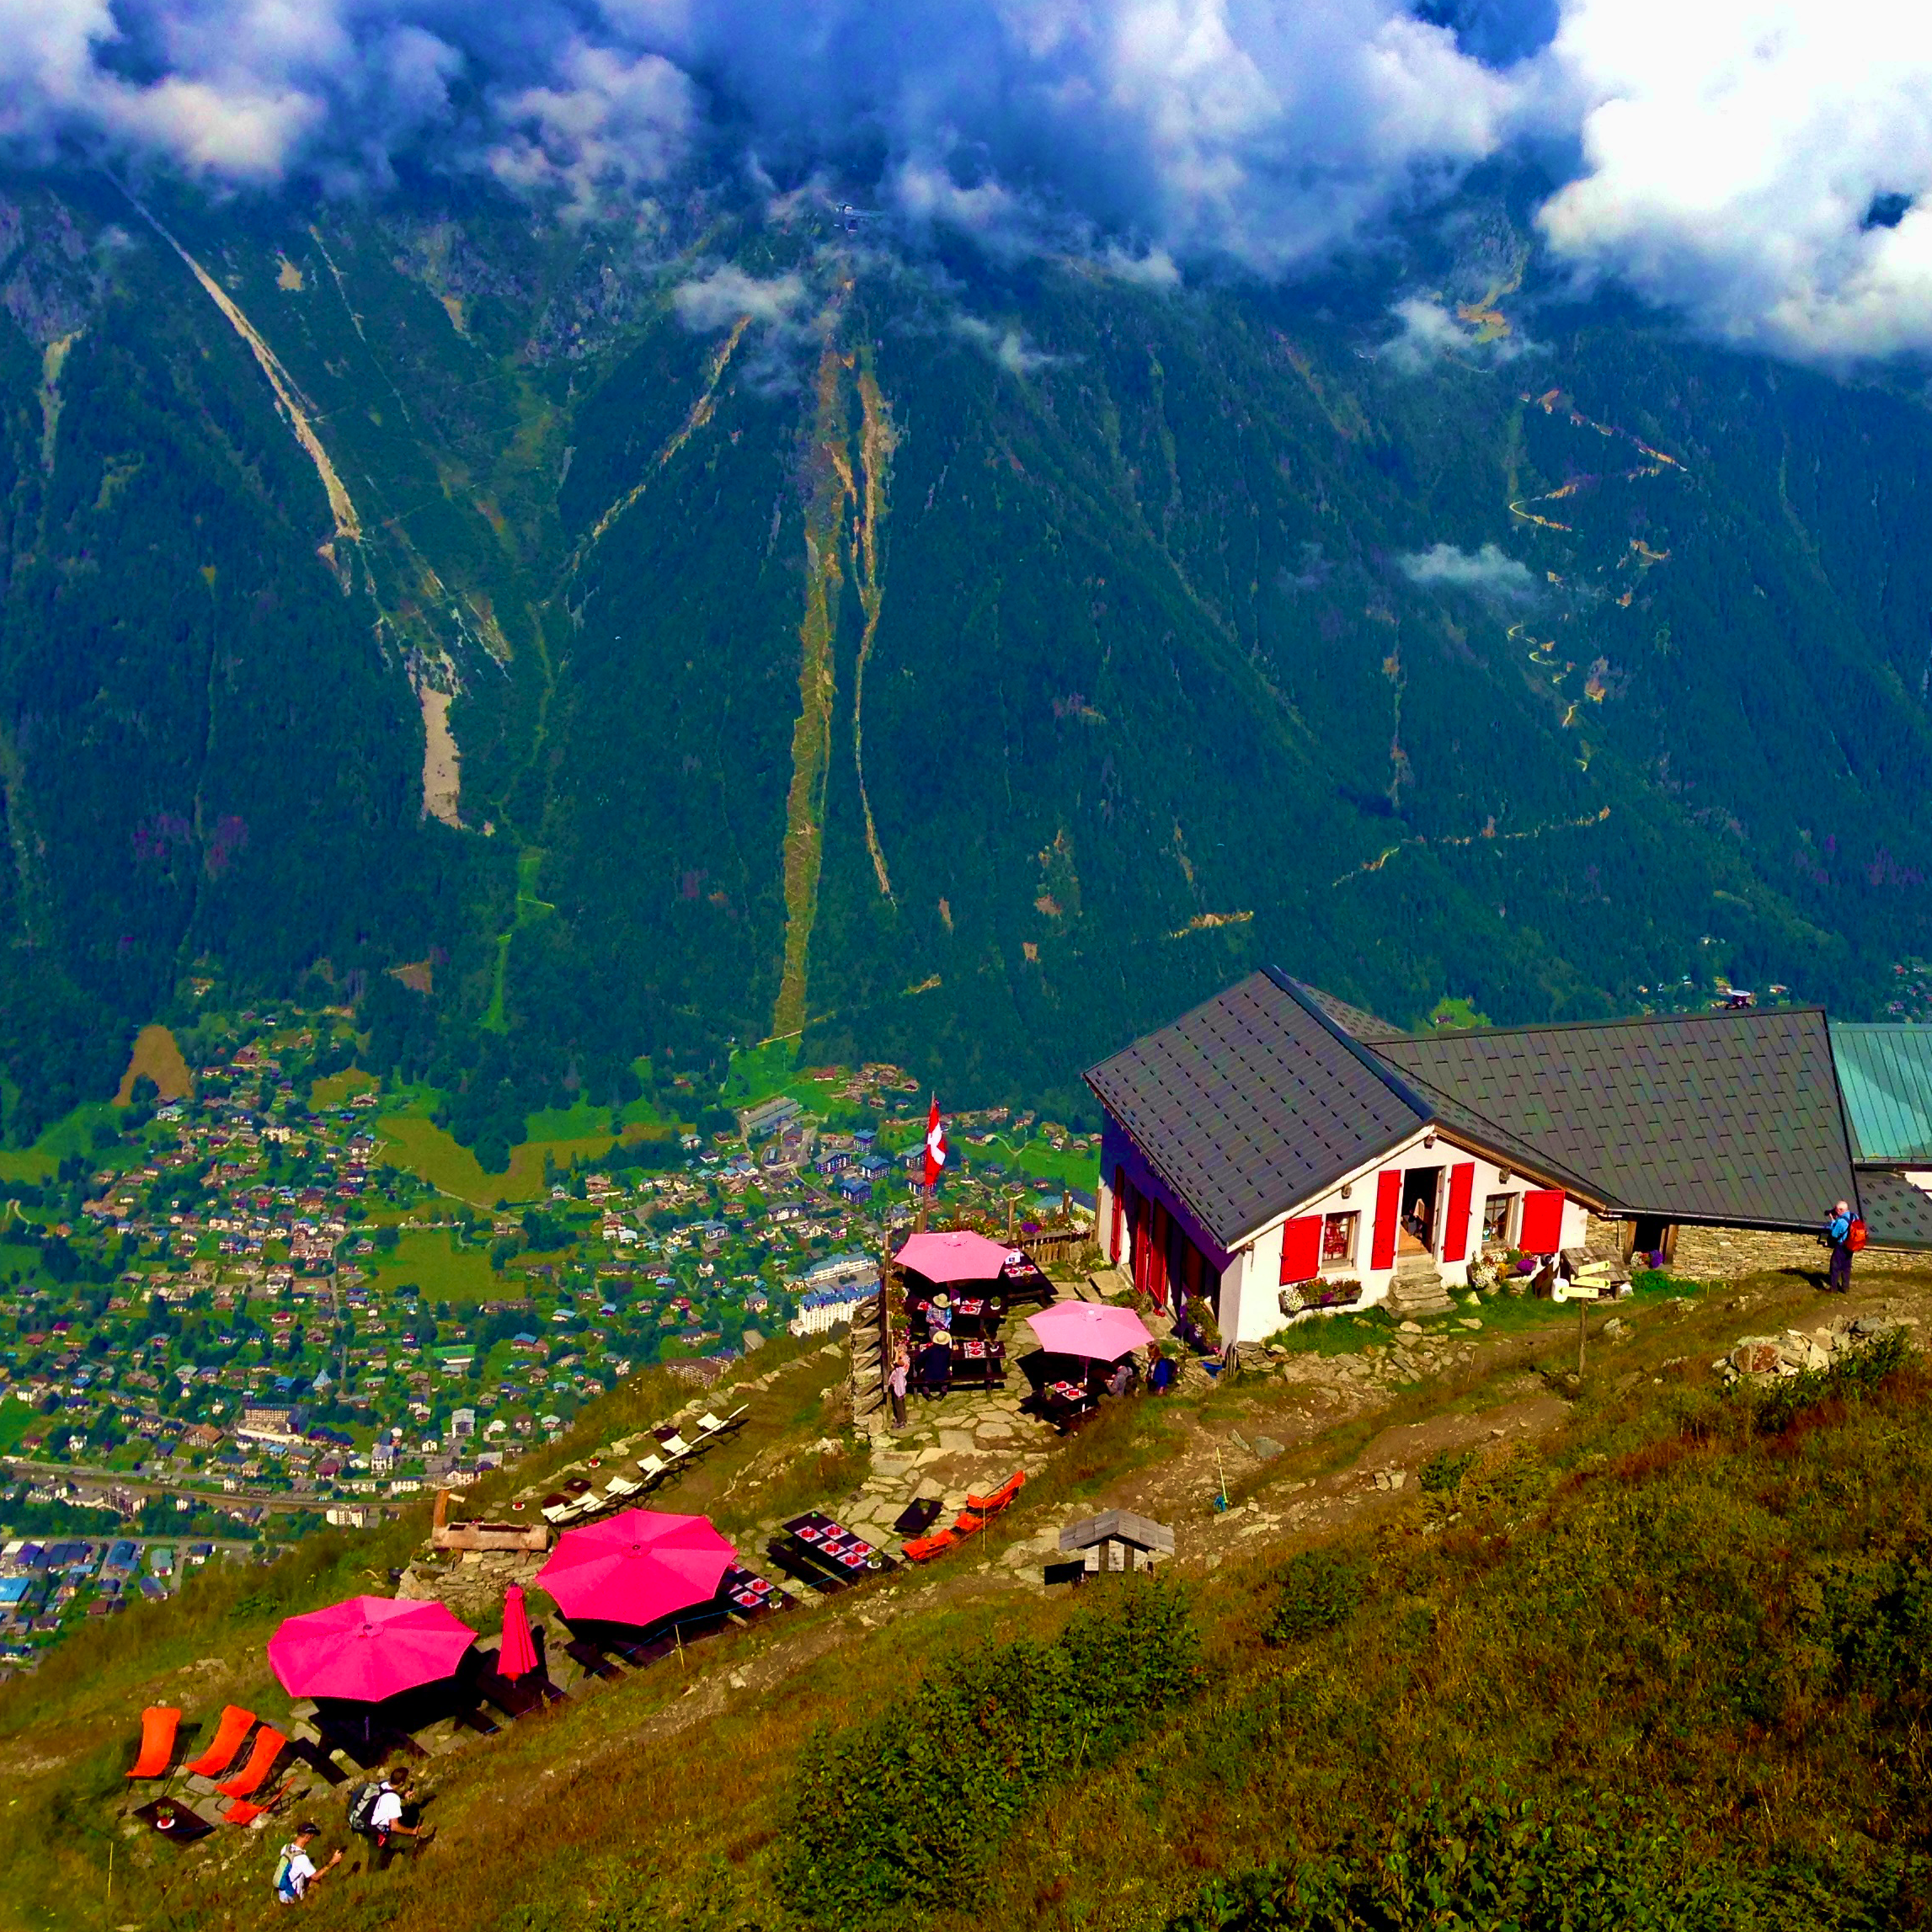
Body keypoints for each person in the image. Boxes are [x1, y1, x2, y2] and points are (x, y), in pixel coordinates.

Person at [369, 1771, 434, 1858]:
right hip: (381, 1832)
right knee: (412, 1841)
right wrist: (412, 1831)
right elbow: (394, 1826)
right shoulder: (393, 1799)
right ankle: (409, 1864)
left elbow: (386, 1798)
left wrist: (403, 1796)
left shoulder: (383, 1786)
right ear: (402, 1782)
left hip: (371, 1827)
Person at [274, 1823, 341, 1905]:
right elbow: (316, 1876)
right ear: (308, 1837)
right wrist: (333, 1861)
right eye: (313, 1836)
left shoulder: (286, 1847)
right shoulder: (302, 1858)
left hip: (282, 1891)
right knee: (320, 1892)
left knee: (315, 1885)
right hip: (291, 1895)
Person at [1824, 1199, 1855, 1294]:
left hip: (1841, 1246)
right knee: (1846, 1267)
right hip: (1851, 1245)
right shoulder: (1854, 1216)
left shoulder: (1841, 1222)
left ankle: (1833, 1289)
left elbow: (1834, 1234)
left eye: (1837, 1210)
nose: (1835, 1211)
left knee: (1835, 1266)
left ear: (1840, 1210)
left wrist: (1833, 1221)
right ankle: (1845, 1288)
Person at [887, 1342, 910, 1432]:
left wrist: (896, 1352)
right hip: (900, 1382)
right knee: (901, 1401)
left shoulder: (903, 1360)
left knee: (898, 1402)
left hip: (899, 1384)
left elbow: (898, 1362)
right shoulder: (906, 1358)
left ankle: (901, 1422)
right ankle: (903, 1418)